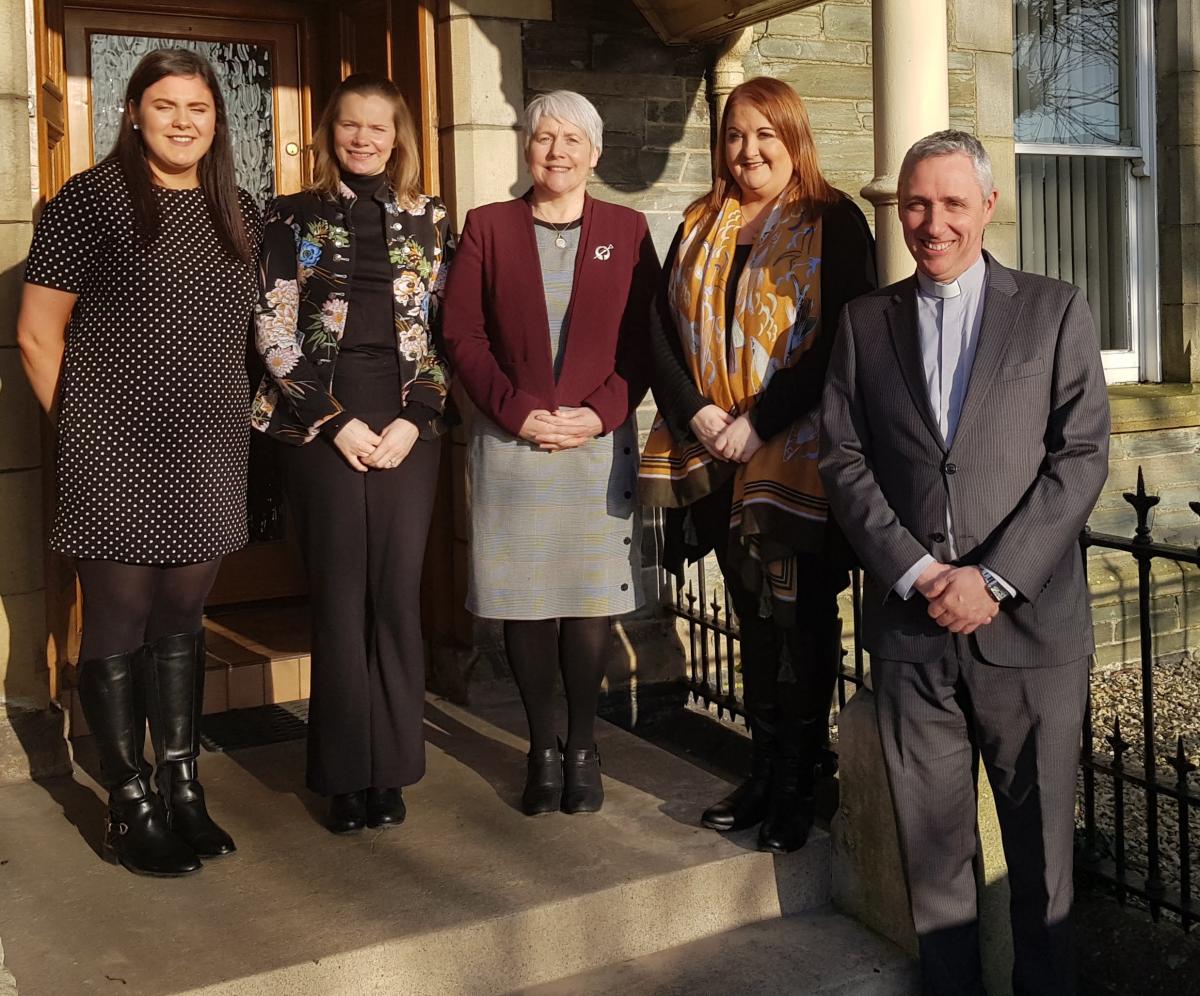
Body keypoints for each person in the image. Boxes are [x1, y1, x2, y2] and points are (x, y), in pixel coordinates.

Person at [819, 130, 1110, 995]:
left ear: (988, 206)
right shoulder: (865, 323)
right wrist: (915, 570)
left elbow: (1082, 455)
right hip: (914, 638)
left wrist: (992, 577)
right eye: (916, 204)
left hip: (1029, 633)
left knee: (1043, 869)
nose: (932, 223)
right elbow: (842, 455)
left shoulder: (1055, 309)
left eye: (952, 203)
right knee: (935, 868)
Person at [17, 49, 260, 876]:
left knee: (183, 624)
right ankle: (127, 799)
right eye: (165, 106)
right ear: (133, 112)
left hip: (212, 452)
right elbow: (37, 333)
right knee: (117, 624)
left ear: (216, 120)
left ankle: (183, 785)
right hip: (113, 453)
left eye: (198, 106)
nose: (184, 120)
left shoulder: (239, 208)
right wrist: (89, 430)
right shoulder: (91, 200)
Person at [639, 77, 875, 853]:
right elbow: (658, 332)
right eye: (736, 136)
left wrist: (759, 421)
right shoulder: (701, 224)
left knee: (803, 620)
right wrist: (699, 414)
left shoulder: (834, 224)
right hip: (712, 448)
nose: (749, 152)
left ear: (794, 137)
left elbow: (844, 339)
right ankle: (765, 769)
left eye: (765, 135)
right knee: (751, 619)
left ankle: (805, 782)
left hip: (799, 457)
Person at [442, 90, 658, 816]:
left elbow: (644, 342)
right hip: (514, 446)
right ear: (525, 149)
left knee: (588, 603)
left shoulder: (628, 231)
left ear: (595, 154)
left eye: (572, 139)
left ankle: (585, 747)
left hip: (595, 449)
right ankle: (540, 747)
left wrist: (596, 416)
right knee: (526, 607)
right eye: (543, 137)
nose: (557, 151)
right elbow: (462, 335)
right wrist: (520, 413)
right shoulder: (488, 228)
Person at [252, 73, 453, 834]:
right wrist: (334, 421)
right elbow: (271, 330)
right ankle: (343, 774)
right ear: (329, 131)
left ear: (399, 137)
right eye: (349, 126)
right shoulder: (289, 216)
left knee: (395, 594)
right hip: (318, 425)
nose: (364, 138)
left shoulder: (431, 218)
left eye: (379, 127)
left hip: (408, 425)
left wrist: (417, 417)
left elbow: (448, 329)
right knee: (340, 596)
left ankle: (392, 770)